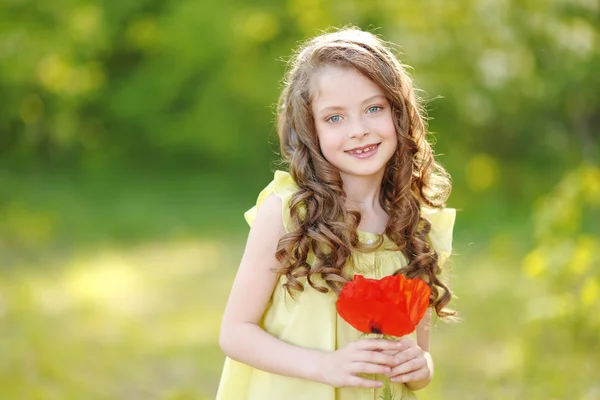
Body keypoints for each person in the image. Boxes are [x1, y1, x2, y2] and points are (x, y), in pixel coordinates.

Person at [216, 26, 457, 400]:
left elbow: (420, 355)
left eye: (374, 109)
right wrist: (325, 366)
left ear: (400, 113)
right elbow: (235, 332)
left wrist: (421, 366)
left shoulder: (418, 223)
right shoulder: (287, 213)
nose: (358, 130)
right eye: (335, 118)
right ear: (310, 130)